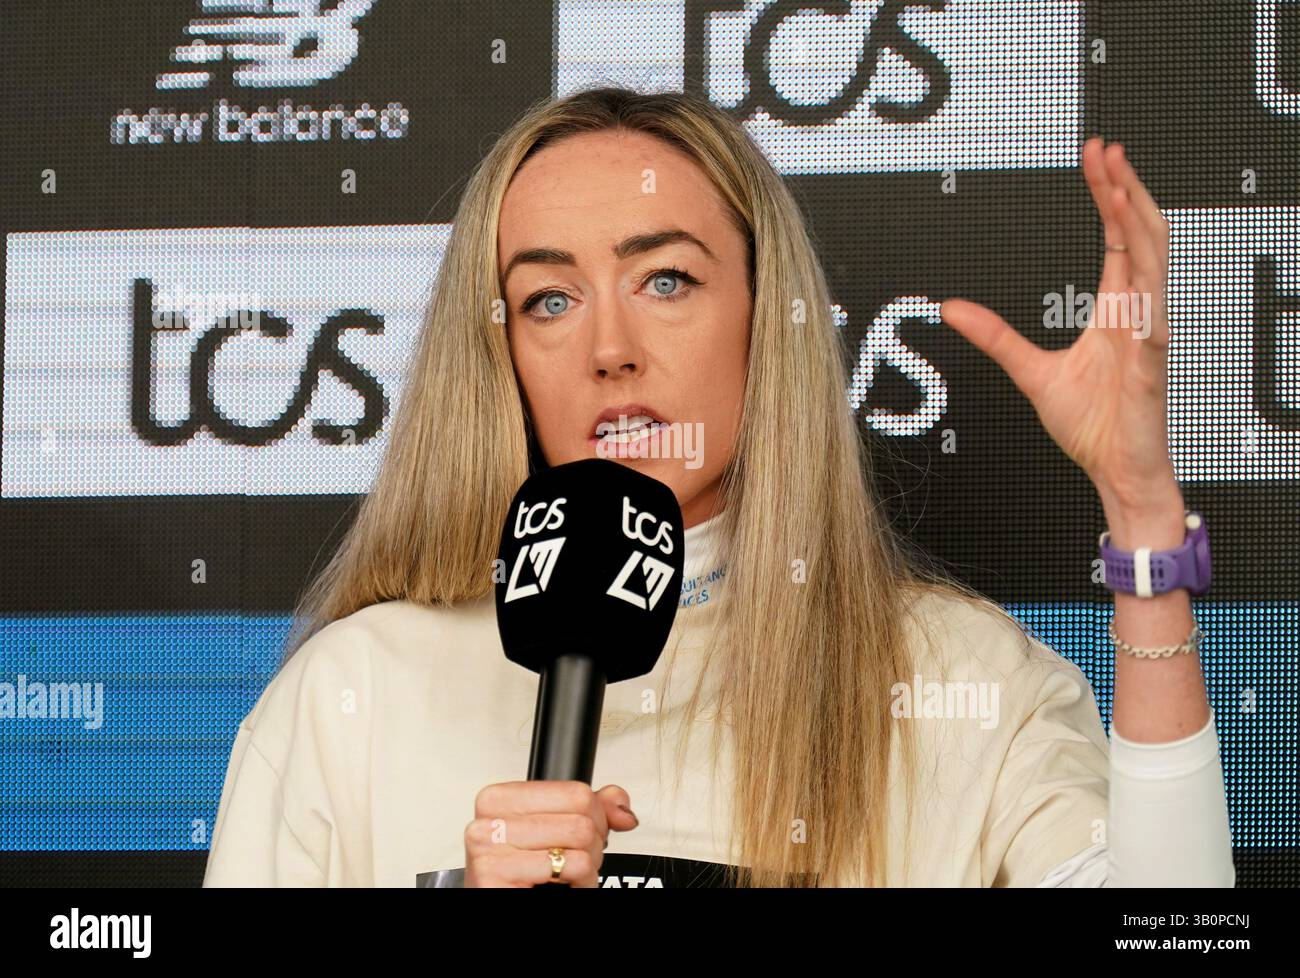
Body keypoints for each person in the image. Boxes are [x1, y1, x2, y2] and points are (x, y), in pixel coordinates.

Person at [202, 86, 1234, 888]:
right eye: (549, 298)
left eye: (665, 280)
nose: (610, 348)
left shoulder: (967, 685)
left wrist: (1142, 516)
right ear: (501, 351)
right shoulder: (350, 700)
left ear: (765, 318)